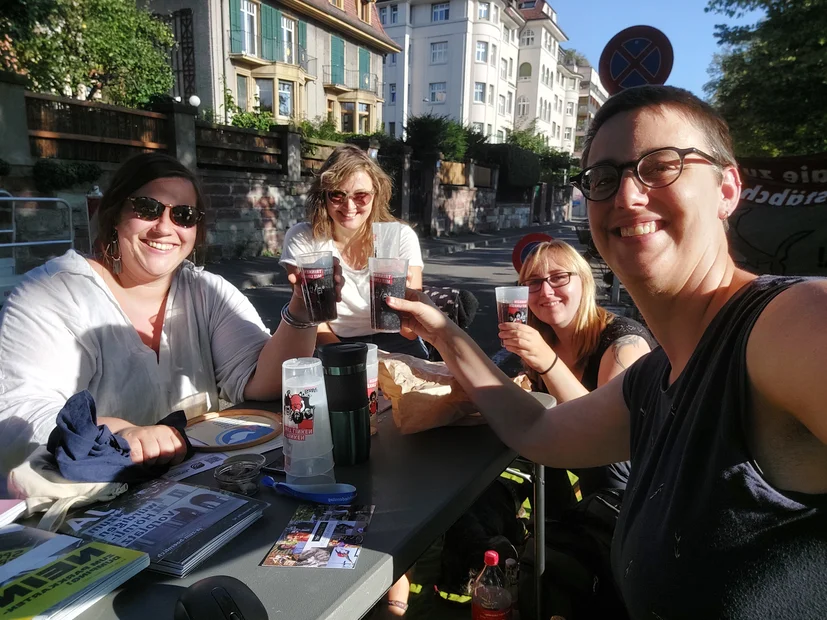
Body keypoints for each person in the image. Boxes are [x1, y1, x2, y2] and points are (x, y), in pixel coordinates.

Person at [388, 85, 827, 617]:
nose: (626, 196)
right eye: (603, 178)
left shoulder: (789, 322)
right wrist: (442, 332)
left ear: (727, 189)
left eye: (662, 165)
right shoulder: (655, 378)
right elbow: (537, 431)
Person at [0, 152, 341, 479]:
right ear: (116, 213)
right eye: (147, 208)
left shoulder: (206, 291)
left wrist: (302, 307)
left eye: (184, 215)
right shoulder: (53, 292)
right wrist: (121, 433)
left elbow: (263, 383)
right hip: (83, 509)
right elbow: (16, 417)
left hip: (200, 489)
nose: (165, 227)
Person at [501, 239, 654, 511]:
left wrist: (548, 362)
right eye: (533, 282)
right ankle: (554, 531)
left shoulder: (623, 343)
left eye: (559, 278)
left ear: (584, 282)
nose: (546, 292)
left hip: (637, 485)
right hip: (569, 458)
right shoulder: (544, 338)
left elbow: (608, 435)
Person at [280, 144, 427, 359]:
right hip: (334, 341)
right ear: (324, 196)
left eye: (361, 196)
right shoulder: (303, 238)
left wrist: (406, 305)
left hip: (398, 340)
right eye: (337, 195)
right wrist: (352, 358)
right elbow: (315, 320)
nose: (349, 206)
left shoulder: (400, 237)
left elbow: (410, 332)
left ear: (376, 195)